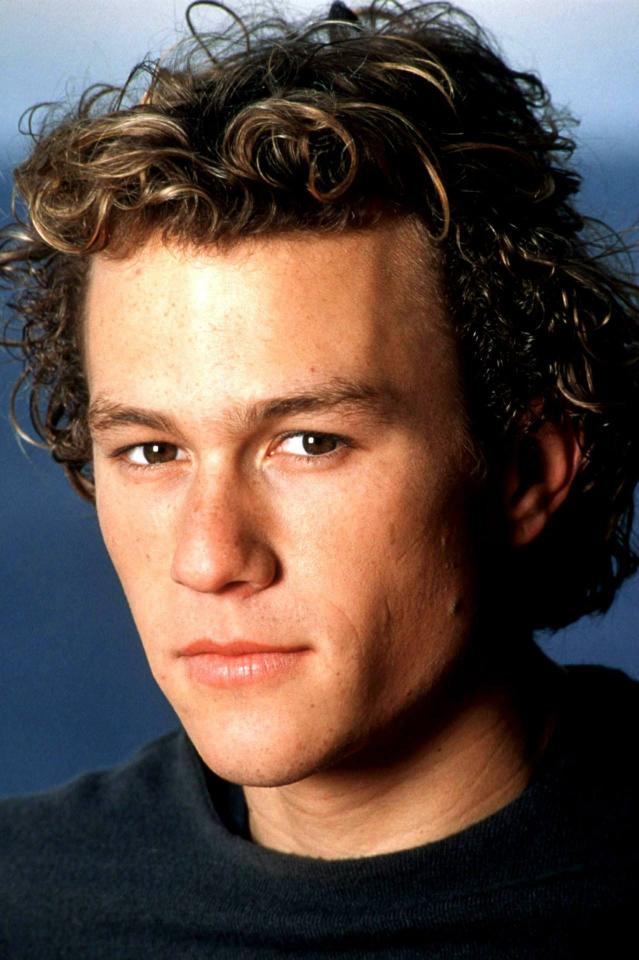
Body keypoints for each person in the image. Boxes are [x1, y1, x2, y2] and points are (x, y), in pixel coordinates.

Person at [0, 1, 637, 955]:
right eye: (153, 451)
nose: (210, 559)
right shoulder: (24, 906)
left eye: (308, 442)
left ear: (525, 474)